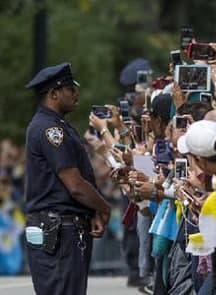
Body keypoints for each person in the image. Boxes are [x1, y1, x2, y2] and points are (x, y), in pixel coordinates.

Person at [24, 63, 111, 295]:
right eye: (70, 89)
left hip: (65, 228)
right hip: (59, 232)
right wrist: (104, 207)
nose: (75, 94)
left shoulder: (58, 126)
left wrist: (91, 212)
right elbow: (75, 185)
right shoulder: (50, 129)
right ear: (54, 94)